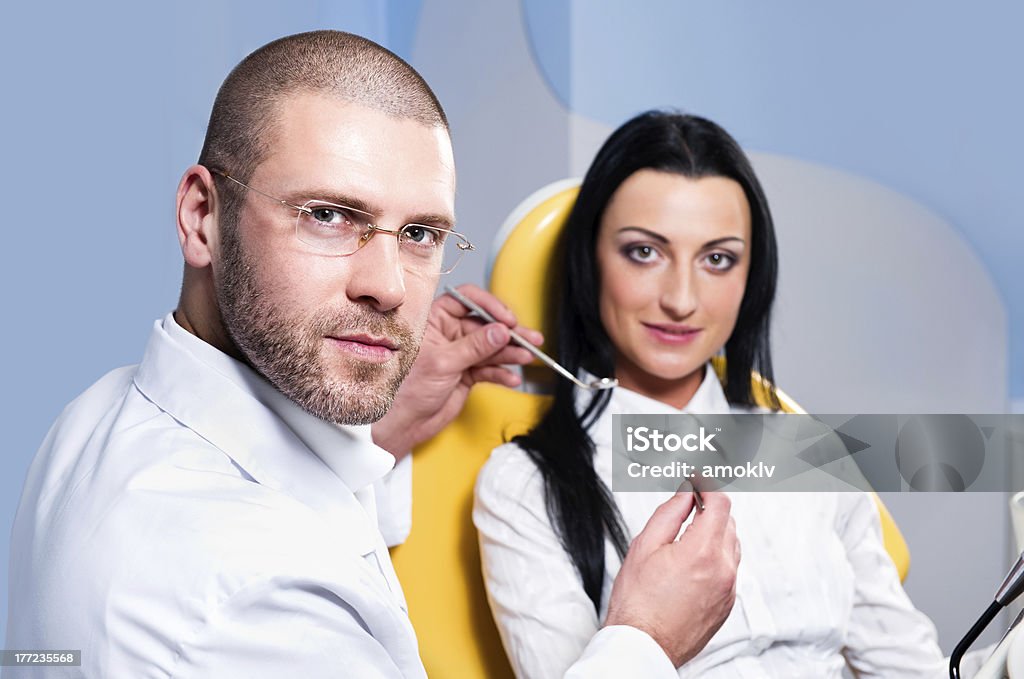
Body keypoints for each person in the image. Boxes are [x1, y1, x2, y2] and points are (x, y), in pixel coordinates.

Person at [5, 33, 739, 678]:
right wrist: (644, 639)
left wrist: (381, 436)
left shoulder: (97, 411)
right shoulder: (258, 592)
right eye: (327, 215)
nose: (388, 286)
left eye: (420, 233)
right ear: (203, 217)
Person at [473, 111, 948, 677]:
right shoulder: (525, 484)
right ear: (589, 261)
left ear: (752, 277)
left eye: (717, 259)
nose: (681, 299)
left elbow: (909, 666)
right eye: (644, 252)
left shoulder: (804, 448)